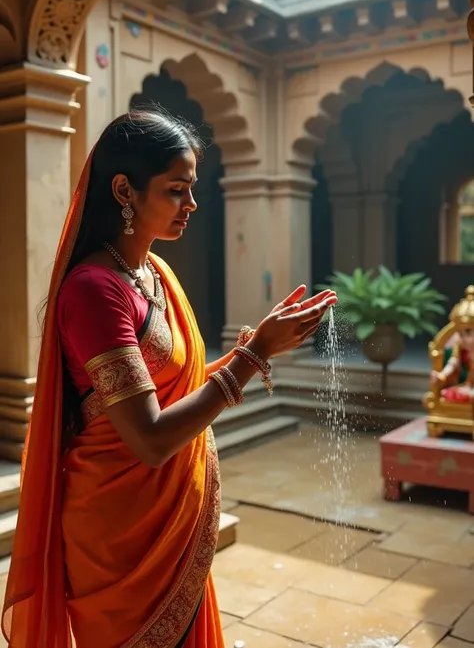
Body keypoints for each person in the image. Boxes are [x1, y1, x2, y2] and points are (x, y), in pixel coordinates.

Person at [2, 108, 337, 648]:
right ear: (124, 190)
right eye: (177, 189)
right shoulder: (95, 289)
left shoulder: (153, 272)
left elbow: (169, 383)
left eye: (192, 188)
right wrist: (254, 359)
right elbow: (150, 438)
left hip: (169, 521)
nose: (192, 204)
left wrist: (253, 349)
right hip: (121, 536)